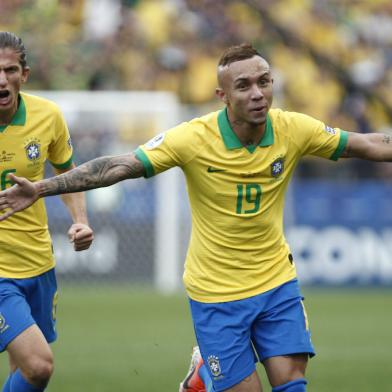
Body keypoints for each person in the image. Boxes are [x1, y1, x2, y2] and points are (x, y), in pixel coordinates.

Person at [0, 43, 391, 392]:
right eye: (244, 86)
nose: (258, 94)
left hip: (277, 282)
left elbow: (366, 143)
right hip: (216, 294)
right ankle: (203, 371)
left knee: (292, 384)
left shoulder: (293, 128)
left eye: (264, 81)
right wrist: (42, 188)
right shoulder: (193, 138)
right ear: (222, 95)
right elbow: (118, 165)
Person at [0, 31, 94, 392]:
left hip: (37, 262)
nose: (2, 79)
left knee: (22, 370)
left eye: (10, 70)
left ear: (24, 75)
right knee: (39, 366)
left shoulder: (47, 116)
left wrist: (81, 222)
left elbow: (68, 174)